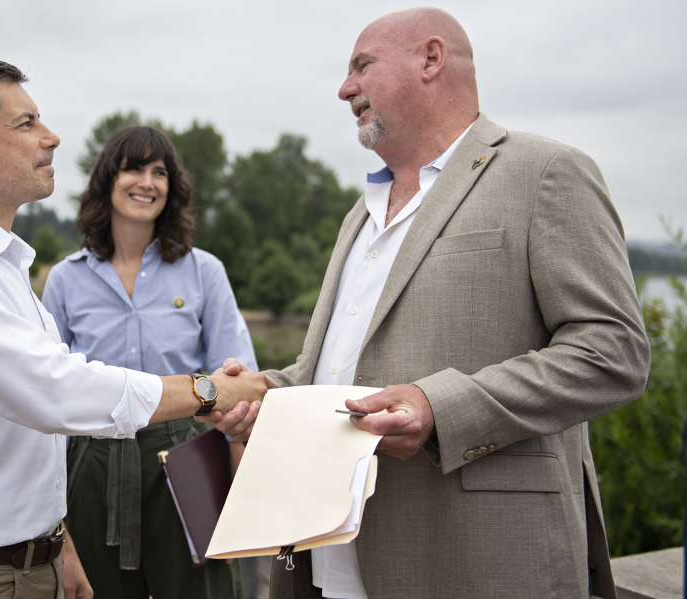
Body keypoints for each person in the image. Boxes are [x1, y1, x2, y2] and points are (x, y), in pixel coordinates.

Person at [205, 8, 651, 599]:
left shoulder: (546, 173)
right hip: (324, 565)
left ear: (431, 59)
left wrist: (437, 407)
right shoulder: (358, 216)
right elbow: (337, 375)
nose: (344, 89)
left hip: (474, 561)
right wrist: (266, 394)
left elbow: (612, 353)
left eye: (362, 66)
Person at [0, 56, 271, 599]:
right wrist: (207, 389)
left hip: (38, 558)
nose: (52, 137)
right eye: (26, 124)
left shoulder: (5, 268)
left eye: (161, 172)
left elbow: (29, 436)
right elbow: (54, 391)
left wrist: (55, 545)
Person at [41, 125, 256, 599]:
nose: (148, 182)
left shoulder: (205, 272)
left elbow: (240, 380)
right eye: (134, 168)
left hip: (187, 455)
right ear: (107, 181)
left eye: (159, 172)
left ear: (171, 188)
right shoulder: (64, 280)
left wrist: (243, 481)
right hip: (92, 465)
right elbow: (47, 395)